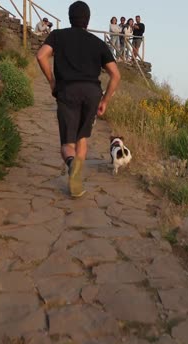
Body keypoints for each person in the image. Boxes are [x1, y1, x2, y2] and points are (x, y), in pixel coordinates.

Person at [36, 1, 121, 198]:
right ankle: (76, 179)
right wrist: (105, 100)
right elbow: (115, 75)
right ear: (88, 20)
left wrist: (52, 82)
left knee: (67, 143)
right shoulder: (98, 43)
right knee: (82, 137)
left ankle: (72, 165)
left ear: (69, 18)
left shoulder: (58, 35)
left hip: (67, 91)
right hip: (92, 93)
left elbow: (41, 56)